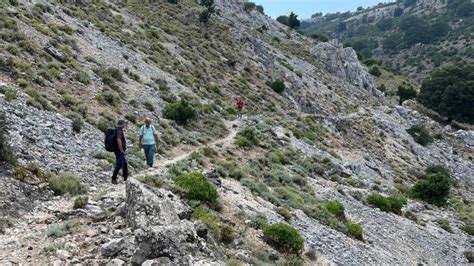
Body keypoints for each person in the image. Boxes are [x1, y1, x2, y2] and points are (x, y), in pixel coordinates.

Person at [112, 119, 128, 184]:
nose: (125, 124)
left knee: (124, 163)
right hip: (119, 150)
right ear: (122, 124)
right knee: (119, 164)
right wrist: (121, 150)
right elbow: (119, 140)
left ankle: (125, 177)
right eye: (124, 123)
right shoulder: (119, 131)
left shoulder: (118, 130)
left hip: (118, 150)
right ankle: (113, 178)